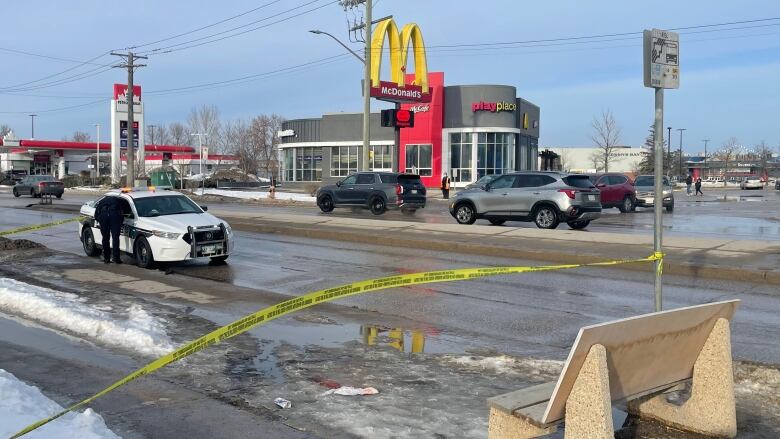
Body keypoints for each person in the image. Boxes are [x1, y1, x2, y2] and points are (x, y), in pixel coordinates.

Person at [95, 195, 124, 264]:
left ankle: (106, 258)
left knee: (105, 238)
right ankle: (116, 258)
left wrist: (100, 220)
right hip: (114, 216)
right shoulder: (119, 200)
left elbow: (96, 215)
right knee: (115, 238)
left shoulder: (102, 201)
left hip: (103, 216)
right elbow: (122, 212)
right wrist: (120, 222)